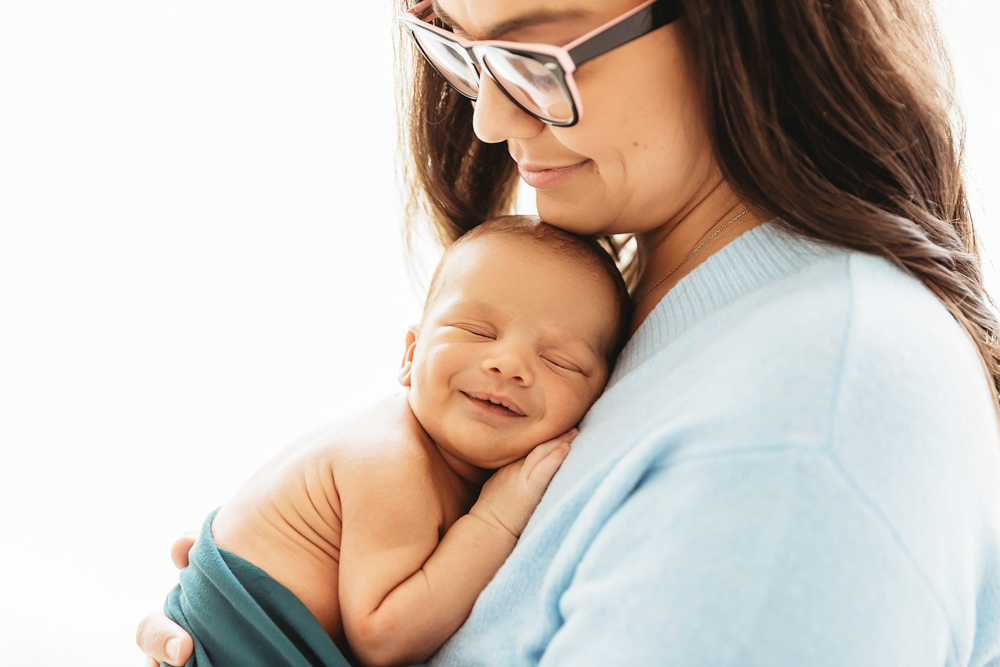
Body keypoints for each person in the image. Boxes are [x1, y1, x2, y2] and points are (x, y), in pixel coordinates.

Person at [139, 0, 1000, 665]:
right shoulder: (656, 324)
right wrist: (263, 613)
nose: (487, 120)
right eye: (463, 53)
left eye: (532, 59)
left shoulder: (811, 422)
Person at [160, 217, 631, 667]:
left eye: (560, 361)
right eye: (476, 331)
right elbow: (383, 639)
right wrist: (497, 518)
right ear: (410, 354)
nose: (509, 364)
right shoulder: (389, 460)